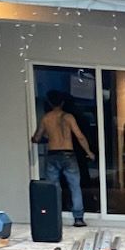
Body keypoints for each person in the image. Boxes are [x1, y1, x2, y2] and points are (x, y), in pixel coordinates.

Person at [32, 90, 94, 228]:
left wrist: (46, 138)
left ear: (49, 102)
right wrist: (89, 152)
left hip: (53, 154)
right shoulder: (68, 117)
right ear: (62, 102)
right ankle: (78, 218)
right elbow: (80, 136)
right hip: (68, 154)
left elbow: (36, 138)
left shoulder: (46, 118)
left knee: (53, 188)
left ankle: (52, 216)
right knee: (75, 187)